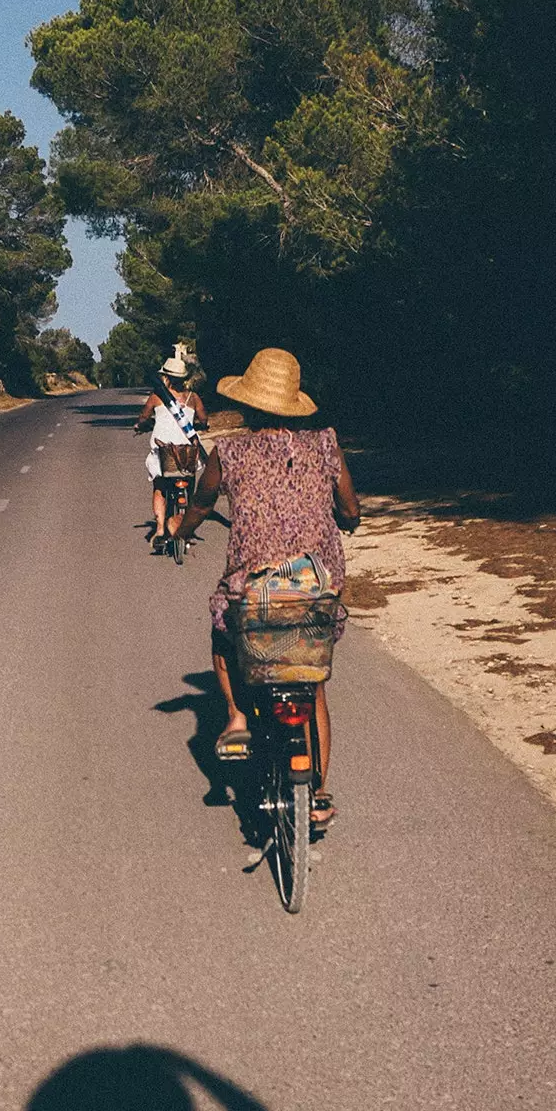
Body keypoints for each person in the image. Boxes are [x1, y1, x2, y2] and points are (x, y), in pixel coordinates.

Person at [174, 347, 359, 831]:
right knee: (312, 686)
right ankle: (317, 795)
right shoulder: (325, 445)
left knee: (221, 627)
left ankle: (236, 716)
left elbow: (201, 502)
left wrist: (182, 531)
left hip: (253, 591)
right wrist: (344, 520)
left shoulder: (229, 452)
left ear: (249, 403)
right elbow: (352, 512)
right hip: (315, 589)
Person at [133, 351, 208, 550]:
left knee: (160, 487)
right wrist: (198, 427)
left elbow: (143, 418)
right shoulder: (193, 398)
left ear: (166, 377)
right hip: (187, 452)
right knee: (189, 486)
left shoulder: (157, 397)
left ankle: (159, 529)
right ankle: (187, 528)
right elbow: (204, 420)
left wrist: (141, 426)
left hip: (164, 451)